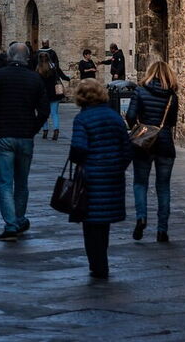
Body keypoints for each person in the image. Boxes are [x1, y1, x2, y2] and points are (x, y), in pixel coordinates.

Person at [0, 43, 50, 241]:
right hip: (25, 135)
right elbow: (44, 110)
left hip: (4, 134)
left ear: (9, 57)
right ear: (28, 59)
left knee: (5, 182)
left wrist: (0, 116)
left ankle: (11, 225)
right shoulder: (35, 78)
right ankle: (19, 219)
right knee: (22, 182)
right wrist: (33, 128)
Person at [70, 79, 132, 279]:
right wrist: (118, 167)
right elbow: (127, 148)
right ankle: (101, 262)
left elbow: (79, 148)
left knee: (90, 224)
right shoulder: (115, 117)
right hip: (112, 177)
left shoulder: (82, 119)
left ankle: (97, 265)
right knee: (103, 224)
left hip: (91, 178)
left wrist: (76, 159)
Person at [125, 60, 179, 243]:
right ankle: (162, 229)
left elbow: (130, 116)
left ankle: (141, 217)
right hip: (165, 143)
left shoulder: (140, 91)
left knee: (140, 183)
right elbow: (172, 122)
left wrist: (139, 128)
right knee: (163, 187)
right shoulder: (172, 95)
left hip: (143, 143)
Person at [36, 51, 71, 140]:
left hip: (42, 95)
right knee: (54, 113)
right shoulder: (53, 67)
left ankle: (45, 131)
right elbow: (61, 76)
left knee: (43, 113)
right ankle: (56, 130)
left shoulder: (38, 69)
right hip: (54, 93)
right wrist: (68, 78)